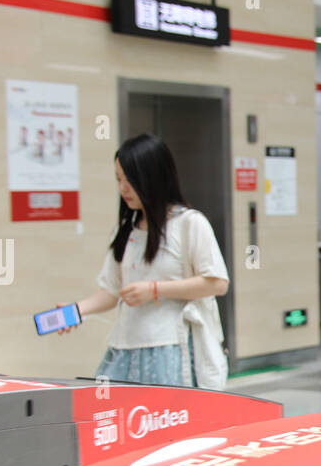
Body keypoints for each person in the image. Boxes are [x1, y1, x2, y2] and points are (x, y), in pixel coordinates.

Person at [64, 133, 230, 388]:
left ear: (153, 177)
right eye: (119, 179)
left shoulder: (189, 223)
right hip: (124, 347)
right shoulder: (127, 229)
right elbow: (111, 291)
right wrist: (75, 312)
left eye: (130, 179)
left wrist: (154, 290)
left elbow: (217, 283)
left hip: (169, 348)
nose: (123, 188)